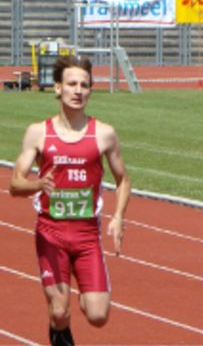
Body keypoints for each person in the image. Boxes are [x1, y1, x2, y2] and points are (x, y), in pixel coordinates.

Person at [9, 55, 131, 346]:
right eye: (72, 84)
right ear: (57, 89)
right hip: (51, 233)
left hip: (87, 235)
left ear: (91, 90)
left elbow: (123, 179)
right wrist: (37, 184)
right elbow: (14, 184)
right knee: (60, 311)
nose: (78, 91)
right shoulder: (38, 133)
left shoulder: (104, 134)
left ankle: (63, 314)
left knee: (98, 315)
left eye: (85, 85)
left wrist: (118, 216)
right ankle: (59, 327)